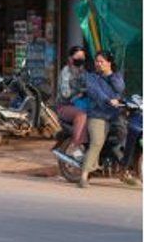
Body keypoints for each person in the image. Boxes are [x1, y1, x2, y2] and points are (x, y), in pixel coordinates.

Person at [79, 51, 134, 188]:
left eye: (101, 61)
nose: (98, 64)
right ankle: (84, 176)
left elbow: (120, 88)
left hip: (114, 115)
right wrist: (108, 100)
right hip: (98, 115)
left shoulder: (116, 76)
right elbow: (96, 92)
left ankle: (124, 173)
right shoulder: (91, 77)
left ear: (109, 63)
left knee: (123, 142)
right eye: (97, 61)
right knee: (97, 142)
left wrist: (110, 74)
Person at [52, 46, 91, 162]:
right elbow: (65, 93)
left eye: (82, 57)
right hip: (64, 106)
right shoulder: (66, 71)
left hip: (80, 104)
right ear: (70, 58)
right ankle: (76, 147)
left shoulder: (84, 71)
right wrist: (80, 92)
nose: (80, 59)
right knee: (81, 115)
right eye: (78, 57)